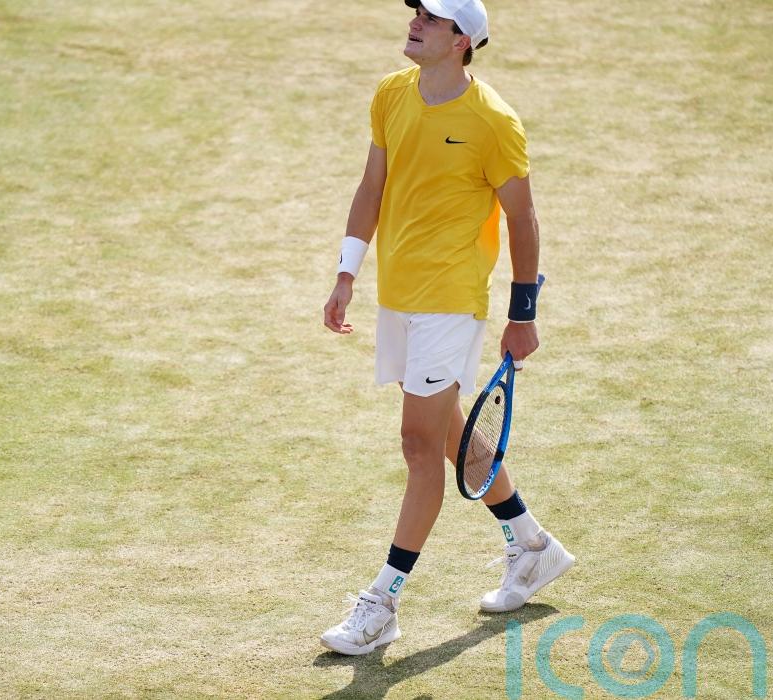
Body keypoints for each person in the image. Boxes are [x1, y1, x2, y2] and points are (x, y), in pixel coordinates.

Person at [318, 0, 575, 656]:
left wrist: (522, 314)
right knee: (447, 432)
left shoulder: (493, 121)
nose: (414, 22)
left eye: (430, 18)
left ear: (462, 40)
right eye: (416, 12)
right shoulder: (391, 93)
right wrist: (347, 272)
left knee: (417, 444)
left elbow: (522, 218)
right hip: (399, 294)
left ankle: (382, 604)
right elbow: (372, 185)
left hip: (451, 299)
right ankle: (531, 545)